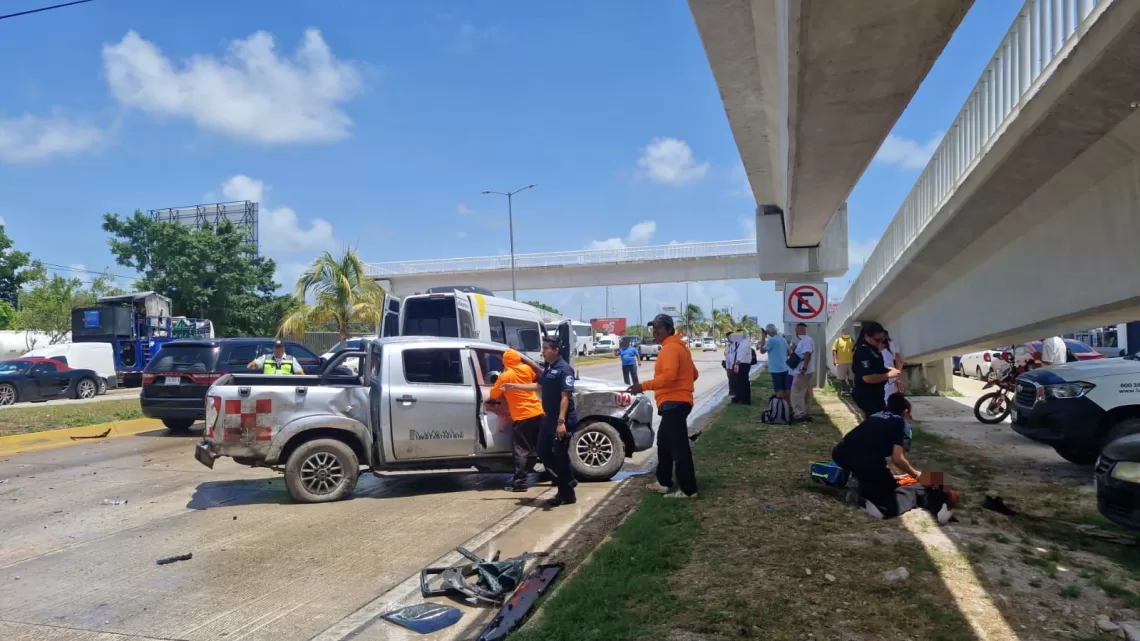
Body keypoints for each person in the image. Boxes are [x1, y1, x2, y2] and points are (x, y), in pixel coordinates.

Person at [629, 314, 700, 499]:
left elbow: (668, 377)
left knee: (678, 447)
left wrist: (641, 386)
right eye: (653, 328)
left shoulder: (670, 349)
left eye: (659, 328)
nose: (655, 332)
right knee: (664, 443)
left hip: (674, 403)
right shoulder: (680, 348)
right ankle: (664, 482)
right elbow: (694, 374)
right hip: (678, 402)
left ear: (669, 329)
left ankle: (688, 489)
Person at [503, 336, 577, 507]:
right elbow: (538, 386)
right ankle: (568, 481)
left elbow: (565, 398)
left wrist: (561, 422)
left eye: (545, 348)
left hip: (562, 420)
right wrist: (514, 386)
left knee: (560, 456)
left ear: (555, 350)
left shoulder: (564, 369)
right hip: (548, 419)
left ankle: (566, 492)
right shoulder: (549, 368)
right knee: (543, 452)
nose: (542, 351)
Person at [831, 393, 922, 519]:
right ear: (906, 411)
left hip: (840, 453)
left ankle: (859, 480)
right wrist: (916, 474)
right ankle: (874, 501)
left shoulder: (875, 415)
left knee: (873, 470)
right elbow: (898, 459)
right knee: (893, 490)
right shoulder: (903, 424)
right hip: (865, 461)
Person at [488, 349, 545, 492]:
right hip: (537, 412)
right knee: (542, 448)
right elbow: (532, 378)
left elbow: (494, 394)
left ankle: (520, 483)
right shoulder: (527, 368)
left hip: (522, 416)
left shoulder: (505, 376)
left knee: (521, 450)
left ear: (505, 361)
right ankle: (558, 477)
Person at [851, 322, 901, 417]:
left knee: (877, 421)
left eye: (882, 340)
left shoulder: (872, 348)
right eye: (877, 340)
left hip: (875, 394)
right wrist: (888, 375)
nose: (880, 343)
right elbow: (867, 377)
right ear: (867, 336)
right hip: (866, 395)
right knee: (878, 421)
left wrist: (889, 370)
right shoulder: (863, 352)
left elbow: (875, 367)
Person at [789, 323, 815, 421]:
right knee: (805, 392)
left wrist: (803, 369)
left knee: (796, 391)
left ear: (799, 329)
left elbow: (807, 354)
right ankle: (806, 413)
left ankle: (799, 413)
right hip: (806, 370)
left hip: (802, 371)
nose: (796, 332)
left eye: (796, 330)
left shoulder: (806, 340)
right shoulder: (805, 340)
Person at [761, 324, 790, 400]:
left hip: (775, 369)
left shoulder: (771, 340)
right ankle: (786, 406)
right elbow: (789, 352)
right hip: (785, 367)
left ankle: (780, 407)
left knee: (778, 389)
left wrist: (763, 338)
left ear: (768, 332)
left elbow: (762, 351)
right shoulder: (783, 339)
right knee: (785, 389)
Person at [728, 332, 752, 405]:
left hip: (743, 364)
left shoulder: (745, 343)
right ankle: (740, 397)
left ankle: (745, 399)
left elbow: (742, 354)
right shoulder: (741, 343)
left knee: (743, 382)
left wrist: (738, 361)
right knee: (740, 382)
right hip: (741, 364)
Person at [881, 332, 905, 400]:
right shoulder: (892, 346)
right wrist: (898, 377)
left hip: (887, 378)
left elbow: (899, 360)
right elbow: (900, 361)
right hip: (890, 378)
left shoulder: (882, 350)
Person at [831, 332, 855, 396]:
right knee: (841, 378)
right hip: (841, 363)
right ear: (841, 333)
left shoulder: (851, 340)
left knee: (851, 377)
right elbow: (834, 350)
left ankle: (851, 389)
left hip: (851, 362)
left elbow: (855, 350)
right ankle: (843, 390)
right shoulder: (838, 340)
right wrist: (834, 360)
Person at [723, 331, 739, 402]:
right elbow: (726, 355)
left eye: (730, 337)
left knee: (735, 381)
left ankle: (736, 394)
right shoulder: (728, 346)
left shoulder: (737, 345)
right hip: (728, 366)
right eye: (728, 337)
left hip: (734, 366)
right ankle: (731, 393)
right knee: (730, 380)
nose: (729, 338)